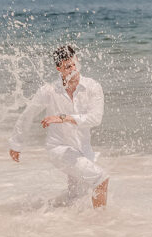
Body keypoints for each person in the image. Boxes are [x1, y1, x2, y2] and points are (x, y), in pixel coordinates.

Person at [8, 45, 109, 209]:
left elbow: (95, 118)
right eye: (68, 66)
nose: (73, 69)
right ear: (59, 69)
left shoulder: (92, 87)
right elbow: (28, 114)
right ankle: (102, 223)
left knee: (76, 199)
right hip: (59, 149)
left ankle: (58, 222)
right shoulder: (49, 91)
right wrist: (16, 144)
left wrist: (64, 118)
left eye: (75, 64)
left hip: (84, 150)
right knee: (100, 178)